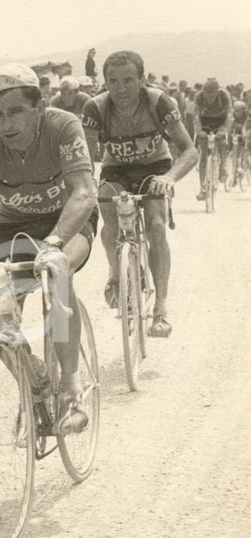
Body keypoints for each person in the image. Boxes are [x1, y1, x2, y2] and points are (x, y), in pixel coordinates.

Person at [0, 64, 98, 433]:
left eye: (16, 111)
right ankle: (34, 380)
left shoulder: (63, 124)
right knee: (0, 309)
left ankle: (71, 388)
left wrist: (54, 243)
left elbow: (84, 192)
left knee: (58, 271)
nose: (5, 123)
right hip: (16, 226)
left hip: (67, 221)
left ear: (39, 106)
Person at [81, 50, 198, 338]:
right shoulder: (96, 107)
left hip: (154, 168)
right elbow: (84, 157)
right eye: (113, 81)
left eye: (128, 80)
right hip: (116, 170)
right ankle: (115, 273)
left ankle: (161, 307)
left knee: (156, 226)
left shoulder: (159, 101)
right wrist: (87, 184)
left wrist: (169, 178)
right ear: (105, 82)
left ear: (142, 80)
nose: (121, 88)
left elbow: (189, 151)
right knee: (108, 215)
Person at [193, 77, 233, 200]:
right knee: (204, 154)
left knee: (222, 141)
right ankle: (203, 188)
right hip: (205, 121)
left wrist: (224, 129)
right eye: (207, 95)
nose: (209, 98)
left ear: (217, 91)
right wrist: (199, 130)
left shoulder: (224, 95)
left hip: (221, 121)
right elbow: (196, 116)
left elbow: (230, 114)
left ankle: (223, 167)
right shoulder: (199, 96)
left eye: (212, 96)